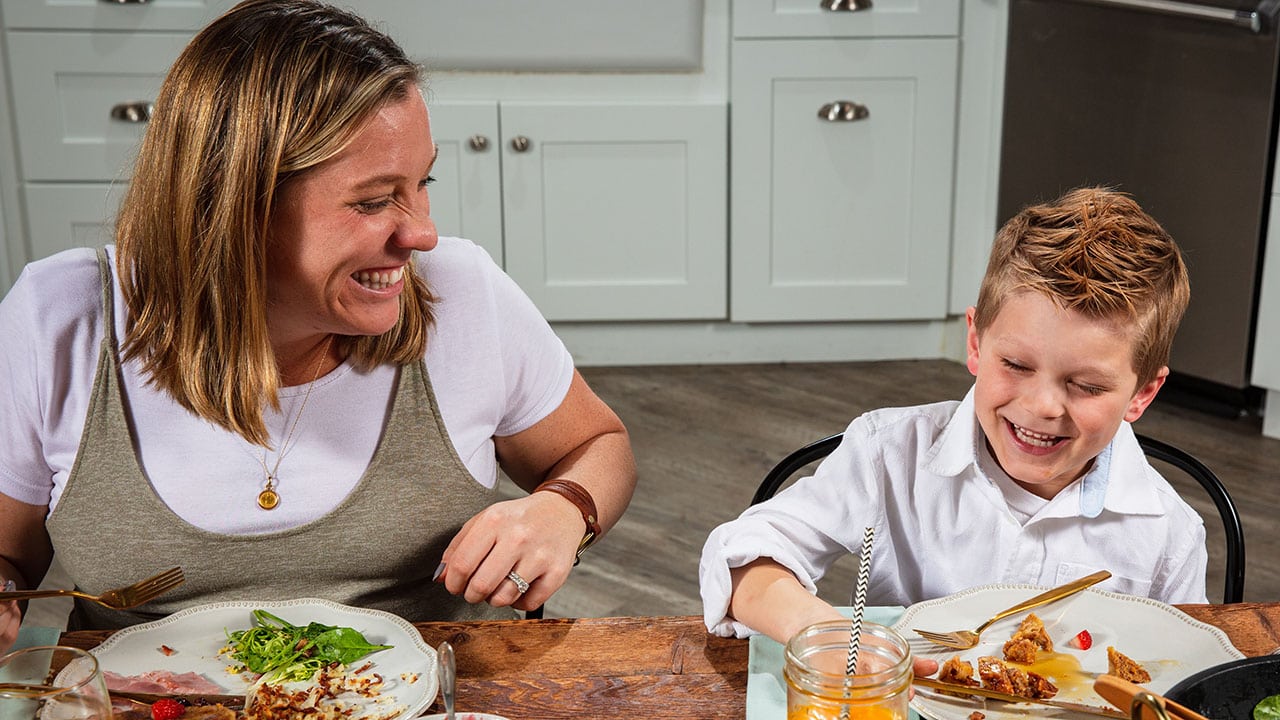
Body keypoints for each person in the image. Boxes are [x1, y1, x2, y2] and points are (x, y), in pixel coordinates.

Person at [0, 0, 636, 651]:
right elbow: (8, 560)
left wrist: (566, 509)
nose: (422, 231)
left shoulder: (462, 293)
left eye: (424, 181)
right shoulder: (58, 320)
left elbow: (599, 446)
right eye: (373, 200)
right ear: (233, 204)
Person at [700, 186, 1206, 644]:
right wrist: (828, 637)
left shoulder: (1169, 536)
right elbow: (745, 557)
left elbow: (1187, 668)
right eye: (1015, 365)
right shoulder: (888, 455)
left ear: (1143, 393)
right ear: (975, 342)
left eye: (1087, 386)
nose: (1042, 407)